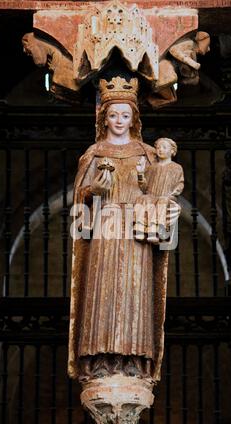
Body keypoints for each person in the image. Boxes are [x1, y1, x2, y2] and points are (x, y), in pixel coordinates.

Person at [68, 76, 181, 382]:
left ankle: (135, 361)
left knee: (135, 292)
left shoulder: (148, 154)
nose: (119, 120)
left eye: (125, 115)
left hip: (136, 233)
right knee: (102, 293)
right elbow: (80, 202)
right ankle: (98, 360)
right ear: (104, 119)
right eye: (114, 115)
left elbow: (162, 190)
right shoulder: (95, 153)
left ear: (134, 119)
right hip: (105, 230)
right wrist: (93, 189)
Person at [134, 137, 184, 243]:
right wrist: (140, 173)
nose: (160, 150)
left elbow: (180, 183)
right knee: (143, 199)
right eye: (158, 147)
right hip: (152, 196)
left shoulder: (176, 168)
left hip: (167, 197)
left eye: (164, 147)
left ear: (172, 151)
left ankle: (157, 231)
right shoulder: (152, 168)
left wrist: (174, 193)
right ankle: (140, 229)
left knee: (162, 201)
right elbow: (144, 187)